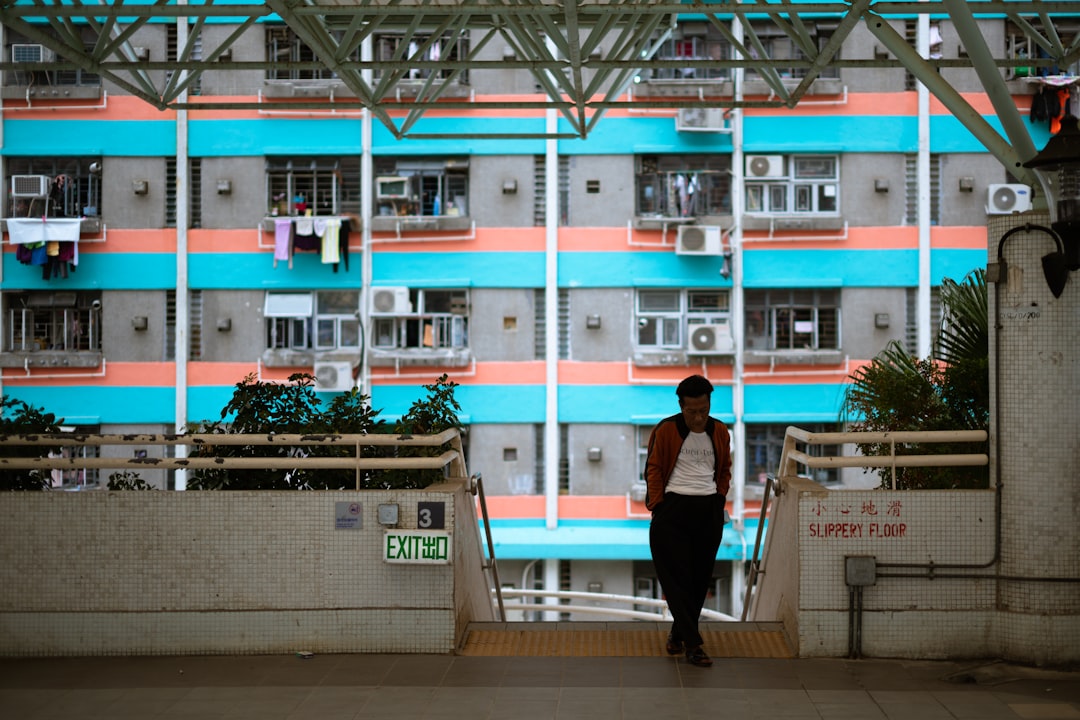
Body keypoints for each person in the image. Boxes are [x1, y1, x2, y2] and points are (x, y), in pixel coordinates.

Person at [644, 374, 731, 668]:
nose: (698, 417)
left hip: (708, 510)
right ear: (681, 406)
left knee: (699, 579)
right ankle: (694, 645)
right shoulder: (666, 430)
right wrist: (658, 505)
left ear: (709, 405)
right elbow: (653, 468)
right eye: (692, 411)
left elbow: (725, 469)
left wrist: (719, 499)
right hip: (673, 509)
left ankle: (677, 634)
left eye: (703, 410)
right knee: (676, 578)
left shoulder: (719, 431)